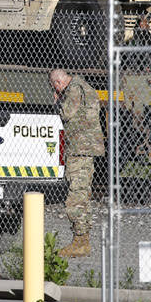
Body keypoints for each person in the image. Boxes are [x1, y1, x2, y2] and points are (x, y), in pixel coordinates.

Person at [48, 67, 105, 258]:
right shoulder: (84, 86)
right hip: (84, 148)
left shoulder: (73, 89)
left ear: (58, 83)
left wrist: (57, 103)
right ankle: (82, 239)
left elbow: (67, 113)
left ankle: (81, 241)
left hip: (80, 148)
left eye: (54, 87)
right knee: (82, 193)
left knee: (76, 196)